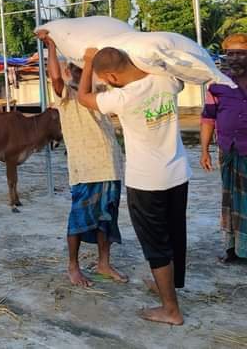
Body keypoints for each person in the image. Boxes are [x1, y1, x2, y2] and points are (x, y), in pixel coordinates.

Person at [77, 47, 190, 326]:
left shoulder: (122, 97)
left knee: (156, 244)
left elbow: (82, 97)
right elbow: (180, 79)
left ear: (112, 75)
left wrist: (89, 62)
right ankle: (168, 285)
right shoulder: (165, 80)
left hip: (146, 181)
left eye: (106, 78)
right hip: (177, 173)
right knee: (175, 233)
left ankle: (170, 310)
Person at [36, 30, 127, 287]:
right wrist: (52, 47)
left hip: (111, 167)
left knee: (107, 219)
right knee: (79, 218)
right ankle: (73, 266)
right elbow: (54, 77)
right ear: (71, 73)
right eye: (76, 70)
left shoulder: (100, 95)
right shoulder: (67, 97)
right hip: (86, 170)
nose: (81, 73)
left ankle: (103, 263)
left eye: (84, 69)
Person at [200, 33, 247, 263]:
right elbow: (208, 118)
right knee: (229, 200)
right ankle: (232, 249)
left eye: (241, 53)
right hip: (228, 150)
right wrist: (204, 150)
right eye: (231, 53)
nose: (235, 58)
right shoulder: (217, 84)